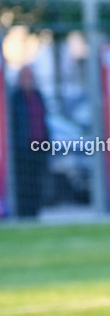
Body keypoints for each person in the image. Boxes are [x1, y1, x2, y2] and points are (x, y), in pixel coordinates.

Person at [11, 66, 50, 218]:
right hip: (23, 148)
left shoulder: (38, 96)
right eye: (25, 77)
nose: (28, 81)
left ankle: (35, 213)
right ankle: (24, 214)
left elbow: (44, 121)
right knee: (24, 183)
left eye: (30, 77)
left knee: (38, 182)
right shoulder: (15, 99)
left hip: (39, 146)